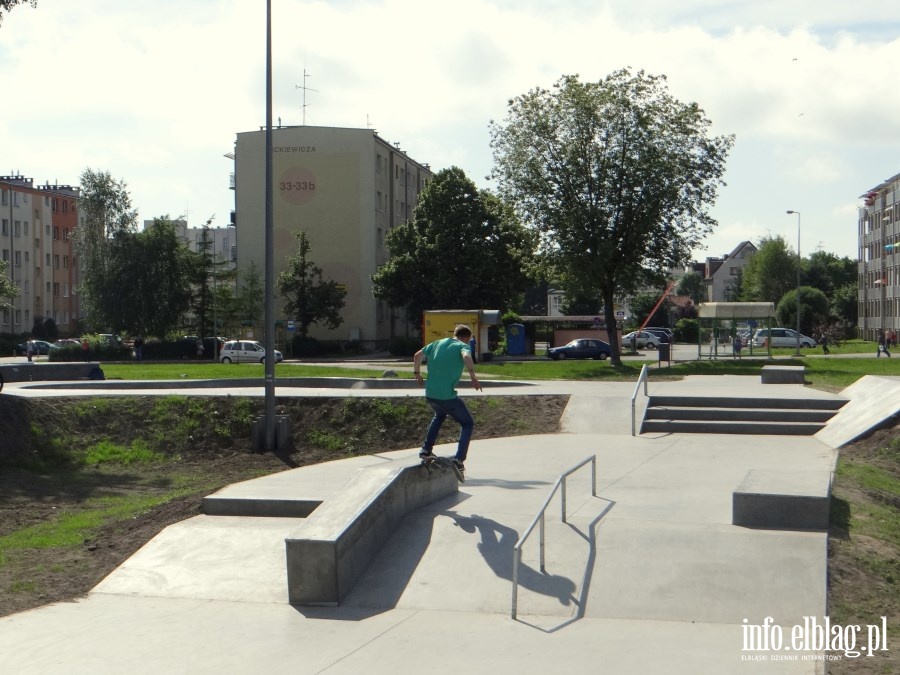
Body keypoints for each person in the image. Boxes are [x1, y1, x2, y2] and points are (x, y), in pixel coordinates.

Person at [413, 324, 482, 482]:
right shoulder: (462, 346)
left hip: (431, 394)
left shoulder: (437, 343)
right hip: (447, 396)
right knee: (467, 424)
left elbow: (417, 355)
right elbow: (466, 357)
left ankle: (426, 450)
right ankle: (459, 461)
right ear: (466, 337)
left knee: (439, 416)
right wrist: (473, 376)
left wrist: (416, 373)